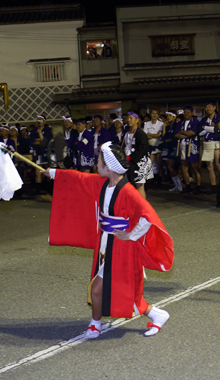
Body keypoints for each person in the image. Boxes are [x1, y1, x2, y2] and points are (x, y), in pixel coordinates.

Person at [44, 142, 174, 338]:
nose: (96, 164)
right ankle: (158, 314)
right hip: (106, 243)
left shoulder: (129, 191)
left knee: (100, 289)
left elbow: (148, 216)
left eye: (99, 161)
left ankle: (95, 325)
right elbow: (80, 179)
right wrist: (55, 174)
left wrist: (131, 235)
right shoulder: (103, 183)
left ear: (109, 166)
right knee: (123, 290)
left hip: (121, 247)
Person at [121, 112, 152, 198]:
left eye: (131, 118)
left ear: (137, 120)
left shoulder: (141, 133)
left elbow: (143, 149)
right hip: (127, 161)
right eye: (127, 118)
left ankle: (142, 208)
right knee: (129, 184)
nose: (129, 120)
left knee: (139, 185)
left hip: (138, 161)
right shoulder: (126, 133)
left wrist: (132, 159)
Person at [175, 107, 201, 194]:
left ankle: (198, 186)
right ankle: (187, 186)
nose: (186, 114)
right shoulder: (180, 122)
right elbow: (176, 134)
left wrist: (183, 132)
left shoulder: (195, 121)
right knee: (184, 167)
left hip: (192, 145)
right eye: (185, 112)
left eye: (188, 112)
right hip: (182, 145)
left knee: (195, 167)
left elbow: (193, 132)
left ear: (192, 113)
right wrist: (187, 134)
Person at [199, 102, 220, 195]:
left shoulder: (219, 117)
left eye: (210, 107)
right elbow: (199, 131)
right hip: (207, 142)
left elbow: (219, 130)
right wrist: (210, 128)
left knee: (218, 164)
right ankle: (213, 186)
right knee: (209, 166)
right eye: (206, 107)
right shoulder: (204, 119)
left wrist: (206, 128)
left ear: (214, 107)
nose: (208, 109)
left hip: (217, 142)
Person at [159, 112, 181, 192]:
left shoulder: (177, 126)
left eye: (170, 116)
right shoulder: (168, 127)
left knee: (171, 167)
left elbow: (175, 137)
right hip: (166, 148)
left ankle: (179, 184)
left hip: (173, 148)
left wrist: (168, 140)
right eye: (167, 116)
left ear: (174, 117)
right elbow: (163, 137)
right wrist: (164, 127)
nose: (168, 117)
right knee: (169, 168)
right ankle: (176, 185)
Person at [142, 108, 164, 189]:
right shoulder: (146, 123)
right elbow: (145, 135)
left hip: (159, 145)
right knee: (149, 164)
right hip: (150, 146)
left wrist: (150, 134)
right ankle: (149, 181)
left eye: (156, 113)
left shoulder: (161, 124)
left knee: (159, 165)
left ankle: (159, 182)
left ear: (158, 115)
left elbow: (160, 135)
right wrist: (155, 135)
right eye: (152, 113)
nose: (154, 115)